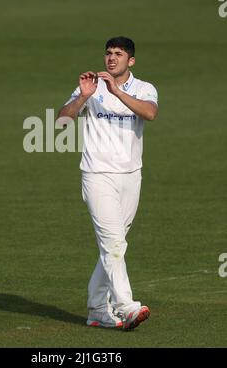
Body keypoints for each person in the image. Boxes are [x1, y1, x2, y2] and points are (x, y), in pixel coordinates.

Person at [57, 36, 158, 331]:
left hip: (131, 177)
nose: (111, 58)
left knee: (115, 245)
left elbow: (150, 113)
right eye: (108, 53)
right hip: (97, 175)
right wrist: (84, 97)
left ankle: (98, 308)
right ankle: (126, 306)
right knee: (113, 243)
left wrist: (115, 91)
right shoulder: (90, 88)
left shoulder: (144, 88)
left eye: (119, 54)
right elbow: (62, 121)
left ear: (131, 61)